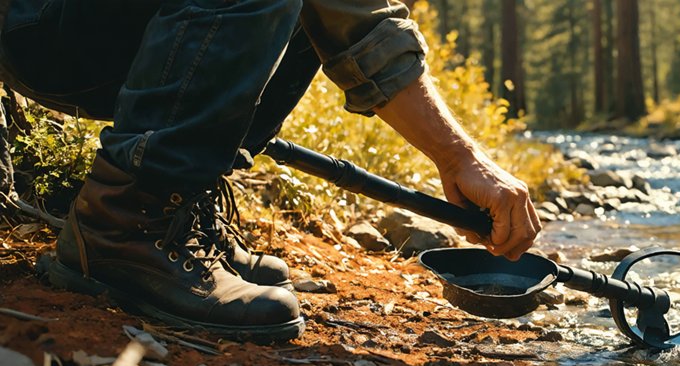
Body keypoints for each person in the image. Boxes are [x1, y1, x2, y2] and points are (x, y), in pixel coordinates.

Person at [0, 0, 541, 344]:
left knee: (318, 12)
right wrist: (460, 159)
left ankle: (176, 200)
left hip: (95, 28)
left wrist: (457, 158)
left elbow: (358, 18)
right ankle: (125, 219)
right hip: (39, 21)